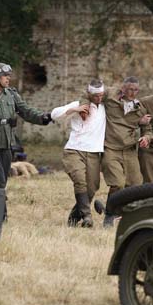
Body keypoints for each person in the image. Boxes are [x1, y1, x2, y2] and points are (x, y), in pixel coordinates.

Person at [0, 62, 52, 189]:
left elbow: (25, 111)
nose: (8, 78)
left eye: (8, 75)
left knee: (3, 181)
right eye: (5, 76)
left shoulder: (11, 95)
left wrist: (43, 117)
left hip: (7, 144)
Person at [51, 79, 106, 228]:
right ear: (89, 94)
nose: (99, 99)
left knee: (92, 188)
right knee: (80, 180)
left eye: (101, 95)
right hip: (74, 150)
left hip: (94, 153)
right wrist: (76, 110)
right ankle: (87, 217)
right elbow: (54, 114)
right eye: (96, 96)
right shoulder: (79, 104)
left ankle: (74, 216)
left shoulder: (106, 107)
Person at [100, 76, 153, 228]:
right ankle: (110, 214)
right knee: (117, 183)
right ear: (123, 88)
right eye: (130, 89)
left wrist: (146, 138)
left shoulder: (139, 108)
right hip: (111, 148)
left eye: (136, 90)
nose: (133, 93)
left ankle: (126, 215)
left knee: (135, 185)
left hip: (129, 150)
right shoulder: (110, 95)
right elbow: (90, 93)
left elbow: (148, 130)